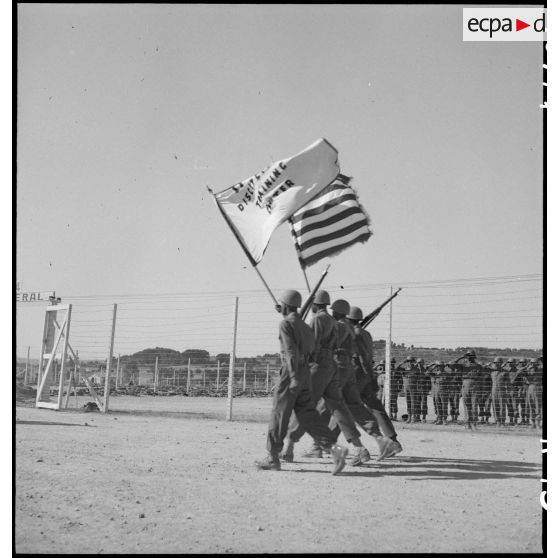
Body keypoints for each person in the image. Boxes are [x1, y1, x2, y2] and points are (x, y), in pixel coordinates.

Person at [256, 290, 348, 474]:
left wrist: (292, 376)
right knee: (308, 414)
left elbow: (290, 351)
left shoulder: (286, 324)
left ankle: (273, 457)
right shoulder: (304, 326)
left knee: (279, 414)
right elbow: (309, 346)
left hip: (291, 374)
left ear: (286, 306)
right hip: (306, 371)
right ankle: (334, 449)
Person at [280, 290, 370, 466]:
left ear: (314, 304)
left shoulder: (317, 320)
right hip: (331, 366)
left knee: (303, 405)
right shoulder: (332, 321)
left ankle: (289, 448)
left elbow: (309, 343)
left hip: (317, 366)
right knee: (338, 408)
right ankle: (359, 447)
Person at [318, 300, 398, 463]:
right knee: (354, 406)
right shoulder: (362, 332)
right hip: (356, 372)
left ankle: (326, 444)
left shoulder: (347, 329)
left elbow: (359, 355)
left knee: (333, 405)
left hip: (349, 370)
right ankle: (386, 440)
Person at [348, 306, 403, 459]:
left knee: (345, 406)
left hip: (357, 373)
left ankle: (325, 445)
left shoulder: (355, 334)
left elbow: (360, 357)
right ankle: (392, 440)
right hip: (367, 373)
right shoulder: (366, 333)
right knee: (375, 406)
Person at [451, 350, 485, 429]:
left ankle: (474, 423)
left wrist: (482, 390)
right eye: (468, 356)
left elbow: (482, 378)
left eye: (471, 356)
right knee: (466, 405)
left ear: (474, 357)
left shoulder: (478, 366)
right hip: (465, 384)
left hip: (475, 385)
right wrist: (461, 357)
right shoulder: (464, 365)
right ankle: (468, 423)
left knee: (474, 405)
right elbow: (452, 365)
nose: (469, 358)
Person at [396, 356, 421, 423]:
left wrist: (417, 364)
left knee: (414, 403)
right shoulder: (404, 369)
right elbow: (396, 369)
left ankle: (414, 418)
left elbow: (421, 375)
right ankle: (409, 417)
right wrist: (403, 362)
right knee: (408, 403)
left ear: (413, 362)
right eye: (408, 361)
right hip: (406, 388)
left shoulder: (416, 369)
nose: (410, 363)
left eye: (411, 361)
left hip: (414, 388)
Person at [489, 357, 511, 427]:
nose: (496, 364)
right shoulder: (492, 371)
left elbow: (508, 383)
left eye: (498, 363)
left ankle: (502, 421)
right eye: (495, 363)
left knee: (502, 406)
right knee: (495, 406)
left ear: (501, 363)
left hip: (502, 390)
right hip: (494, 390)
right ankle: (497, 421)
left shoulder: (505, 372)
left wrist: (508, 392)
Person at [524, 357, 543, 429]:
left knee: (538, 406)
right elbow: (519, 372)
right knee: (531, 406)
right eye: (532, 363)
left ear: (537, 363)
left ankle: (538, 423)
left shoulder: (540, 369)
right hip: (530, 388)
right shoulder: (528, 370)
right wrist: (527, 367)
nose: (533, 365)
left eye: (534, 363)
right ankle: (533, 423)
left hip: (538, 387)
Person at [416, 358, 430, 423]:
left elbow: (428, 381)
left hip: (424, 388)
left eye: (420, 363)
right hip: (417, 388)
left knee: (424, 403)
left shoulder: (425, 371)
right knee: (417, 403)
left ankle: (424, 417)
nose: (419, 364)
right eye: (418, 363)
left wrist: (428, 389)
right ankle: (418, 417)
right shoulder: (416, 371)